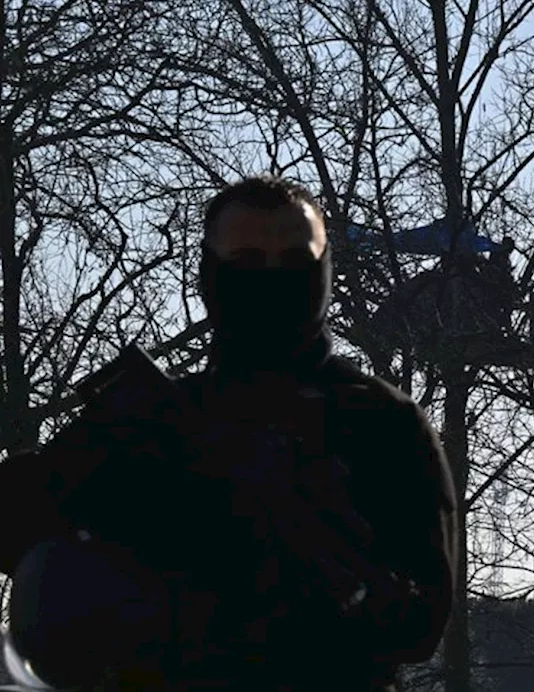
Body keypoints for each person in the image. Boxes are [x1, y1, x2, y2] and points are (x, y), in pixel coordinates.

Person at [0, 175, 458, 690]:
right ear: (212, 274)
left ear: (323, 270)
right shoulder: (151, 423)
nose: (272, 279)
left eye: (294, 262)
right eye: (247, 262)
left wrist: (323, 588)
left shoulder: (383, 423)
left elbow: (423, 624)